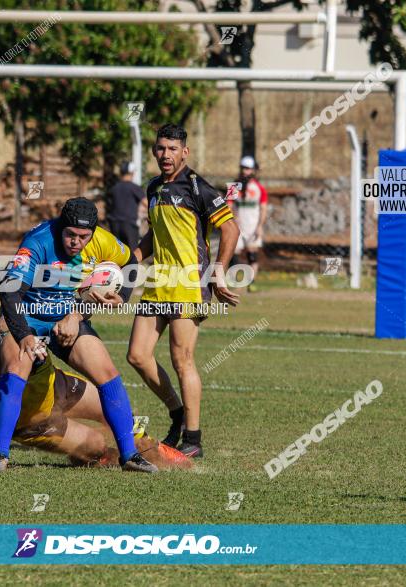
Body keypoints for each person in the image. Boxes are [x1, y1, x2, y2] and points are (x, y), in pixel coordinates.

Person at [0, 197, 158, 473]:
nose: (76, 242)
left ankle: (129, 456)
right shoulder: (37, 242)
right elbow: (8, 293)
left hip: (68, 316)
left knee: (107, 371)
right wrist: (25, 336)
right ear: (60, 227)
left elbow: (131, 264)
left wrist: (121, 296)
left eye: (83, 237)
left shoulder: (103, 240)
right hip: (26, 316)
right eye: (70, 235)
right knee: (18, 365)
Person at [126, 123, 240, 458]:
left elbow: (231, 228)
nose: (165, 155)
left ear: (185, 152)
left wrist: (219, 270)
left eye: (172, 149)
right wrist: (131, 257)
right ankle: (176, 413)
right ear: (154, 151)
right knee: (137, 355)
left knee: (182, 358)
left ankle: (193, 439)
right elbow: (153, 235)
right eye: (160, 148)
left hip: (190, 284)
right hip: (158, 282)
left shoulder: (197, 187)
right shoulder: (153, 188)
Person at [0, 318, 192, 470]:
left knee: (113, 406)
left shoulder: (25, 335)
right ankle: (104, 458)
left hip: (60, 386)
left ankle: (152, 447)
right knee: (95, 445)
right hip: (37, 422)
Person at [230, 156, 268, 292]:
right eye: (243, 168)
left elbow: (263, 209)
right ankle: (236, 281)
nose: (245, 171)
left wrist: (260, 227)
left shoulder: (259, 188)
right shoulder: (234, 186)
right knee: (233, 252)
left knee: (252, 255)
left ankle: (251, 282)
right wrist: (233, 219)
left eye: (247, 168)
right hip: (237, 227)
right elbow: (229, 206)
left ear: (253, 170)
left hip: (252, 227)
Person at [106, 161, 146, 248]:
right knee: (132, 253)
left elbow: (109, 206)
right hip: (129, 225)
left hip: (114, 224)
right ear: (132, 173)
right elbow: (147, 203)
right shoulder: (134, 187)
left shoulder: (114, 188)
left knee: (117, 251)